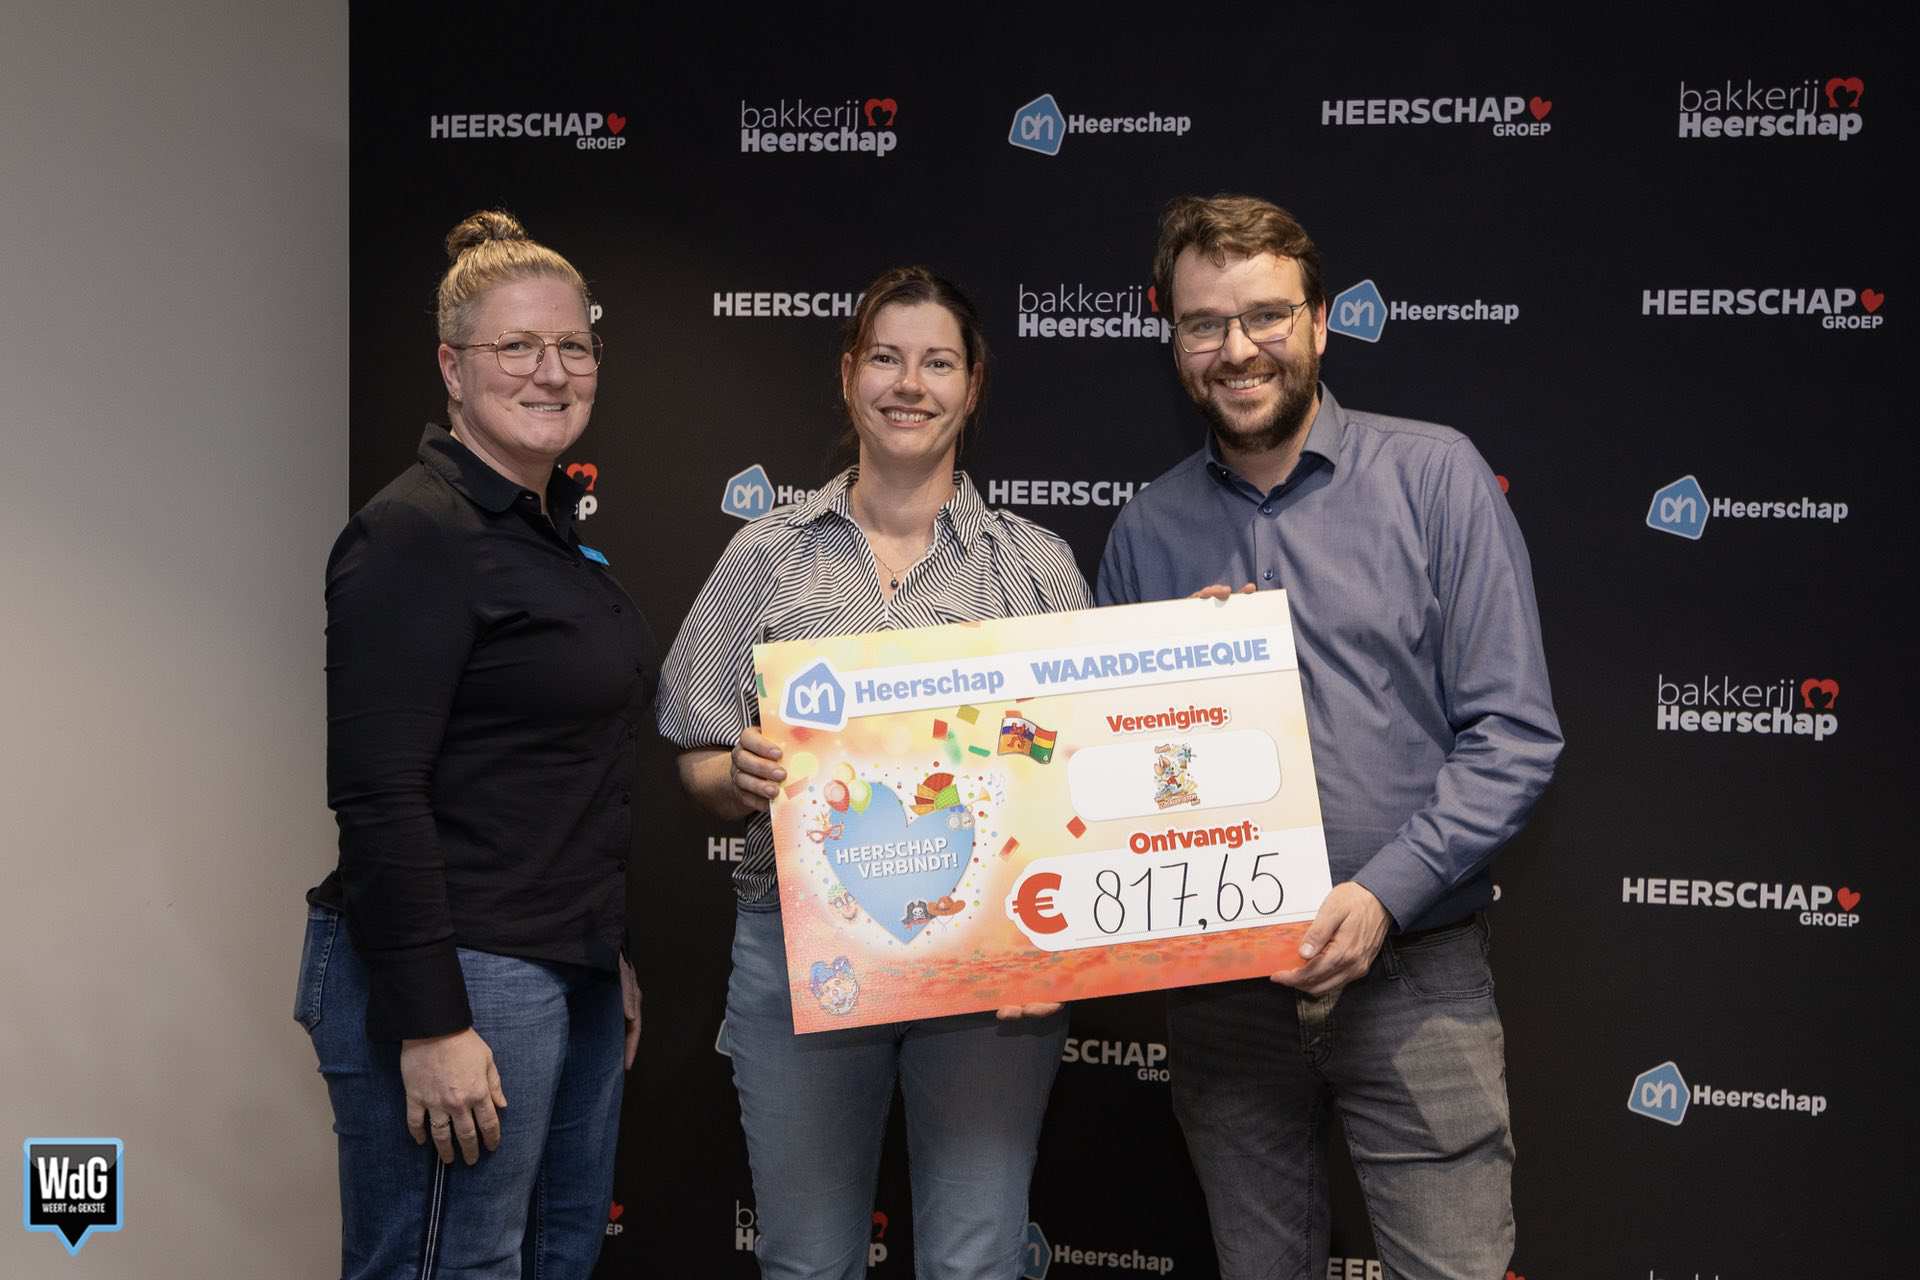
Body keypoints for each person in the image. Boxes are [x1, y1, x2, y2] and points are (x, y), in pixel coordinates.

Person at [1095, 194, 1562, 1280]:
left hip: (1415, 978)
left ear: (1319, 322)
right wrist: (1168, 697)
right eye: (1204, 323)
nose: (1237, 349)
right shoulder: (1147, 531)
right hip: (1223, 1006)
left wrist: (1383, 892)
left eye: (1265, 315)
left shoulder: (1436, 477)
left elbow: (1513, 733)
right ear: (1173, 338)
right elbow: (1110, 782)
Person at [658, 266, 1087, 1280]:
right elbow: (696, 756)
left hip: (986, 964)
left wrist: (1053, 956)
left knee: (975, 1261)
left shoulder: (1036, 567)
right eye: (886, 358)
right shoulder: (767, 556)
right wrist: (737, 773)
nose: (909, 384)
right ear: (849, 375)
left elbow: (1080, 775)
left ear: (972, 387)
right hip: (799, 949)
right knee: (809, 1264)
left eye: (937, 362)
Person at [296, 210, 651, 1280]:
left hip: (560, 967)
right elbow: (378, 794)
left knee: (549, 1258)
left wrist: (597, 953)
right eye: (518, 346)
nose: (553, 371)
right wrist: (431, 1024)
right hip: (459, 976)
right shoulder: (415, 533)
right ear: (452, 368)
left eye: (574, 344)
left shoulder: (542, 532)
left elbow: (540, 776)